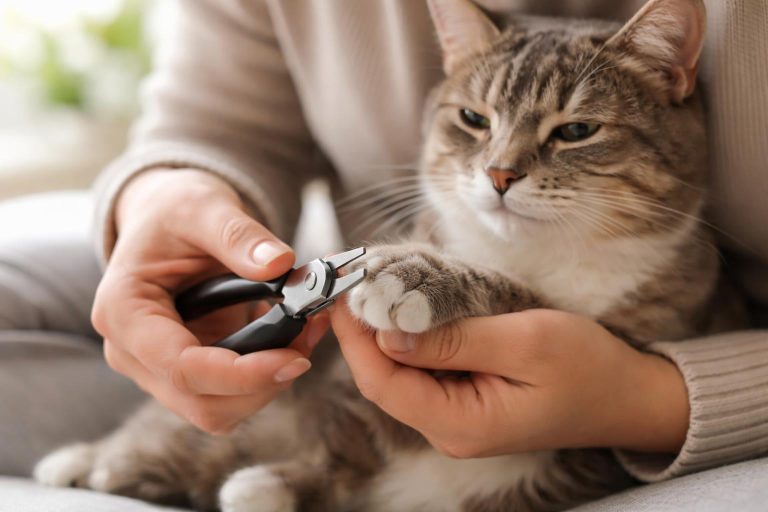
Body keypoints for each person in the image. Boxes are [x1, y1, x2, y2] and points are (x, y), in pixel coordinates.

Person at [1, 0, 766, 508]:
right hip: (356, 274)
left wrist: (653, 402)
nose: (503, 169)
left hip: (701, 398)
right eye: (473, 121)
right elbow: (213, 122)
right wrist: (163, 200)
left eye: (572, 132)